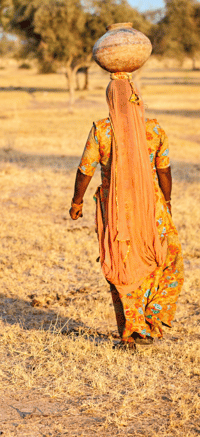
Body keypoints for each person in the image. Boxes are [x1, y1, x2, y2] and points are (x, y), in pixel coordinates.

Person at [70, 72, 183, 350]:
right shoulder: (154, 130)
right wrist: (166, 200)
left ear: (109, 99)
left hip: (116, 208)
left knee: (121, 264)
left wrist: (77, 201)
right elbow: (164, 170)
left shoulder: (101, 131)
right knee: (166, 258)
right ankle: (151, 318)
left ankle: (128, 332)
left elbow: (86, 170)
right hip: (151, 206)